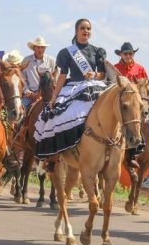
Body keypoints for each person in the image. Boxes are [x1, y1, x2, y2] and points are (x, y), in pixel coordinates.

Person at [34, 18, 107, 166]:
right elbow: (62, 75)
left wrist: (94, 74)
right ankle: (55, 154)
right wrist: (54, 96)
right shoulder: (67, 52)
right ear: (76, 31)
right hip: (74, 86)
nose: (86, 31)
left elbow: (102, 74)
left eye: (88, 28)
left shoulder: (97, 51)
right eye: (82, 28)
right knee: (58, 115)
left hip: (93, 84)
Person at [21, 36, 57, 111]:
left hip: (48, 96)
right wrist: (28, 92)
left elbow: (56, 78)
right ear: (34, 48)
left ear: (45, 48)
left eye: (42, 47)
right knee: (20, 113)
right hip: (30, 95)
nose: (40, 50)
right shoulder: (26, 60)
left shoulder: (51, 61)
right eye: (38, 47)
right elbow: (22, 79)